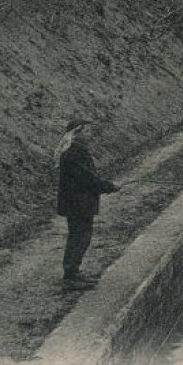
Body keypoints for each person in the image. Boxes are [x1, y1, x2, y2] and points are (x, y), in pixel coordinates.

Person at [55, 118, 119, 284]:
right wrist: (109, 186)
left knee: (79, 236)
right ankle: (71, 276)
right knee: (80, 237)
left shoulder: (75, 150)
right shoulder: (75, 153)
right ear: (78, 133)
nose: (91, 134)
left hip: (77, 202)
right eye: (87, 131)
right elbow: (87, 179)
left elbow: (87, 178)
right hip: (78, 203)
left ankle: (73, 273)